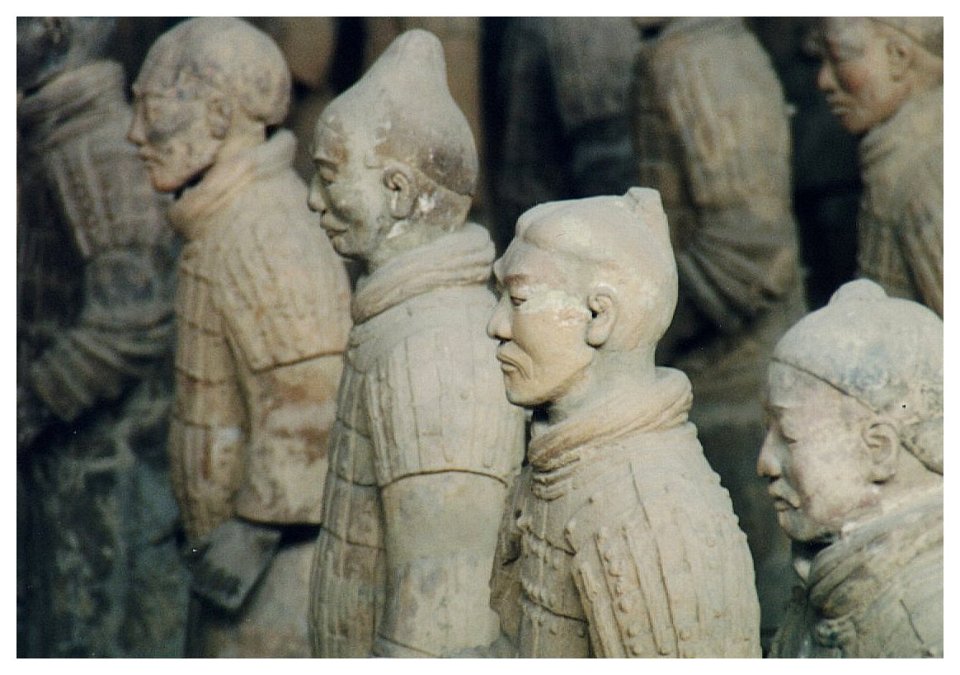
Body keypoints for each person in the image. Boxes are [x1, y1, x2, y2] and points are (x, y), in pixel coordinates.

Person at [128, 17, 351, 656]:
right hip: (237, 562)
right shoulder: (226, 221)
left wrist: (252, 530)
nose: (134, 133)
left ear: (219, 115)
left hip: (276, 571)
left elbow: (313, 413)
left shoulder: (266, 233)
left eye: (152, 110)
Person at [305, 29, 525, 658]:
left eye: (329, 176)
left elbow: (441, 615)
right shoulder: (403, 322)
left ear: (399, 191)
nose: (313, 199)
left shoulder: (435, 350)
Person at [485, 188, 761, 658]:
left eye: (518, 299)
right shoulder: (555, 466)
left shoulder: (654, 515)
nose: (496, 325)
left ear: (599, 315)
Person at [17, 17, 187, 657]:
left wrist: (31, 403)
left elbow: (132, 318)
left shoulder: (94, 148)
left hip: (106, 458)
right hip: (69, 456)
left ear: (54, 31)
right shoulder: (54, 131)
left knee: (91, 639)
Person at [759, 279, 942, 658]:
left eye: (788, 436)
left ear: (879, 450)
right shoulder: (829, 580)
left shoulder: (930, 628)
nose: (765, 463)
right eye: (767, 432)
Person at [814, 17, 942, 316]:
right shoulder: (896, 159)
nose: (824, 81)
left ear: (899, 57)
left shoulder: (927, 172)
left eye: (839, 57)